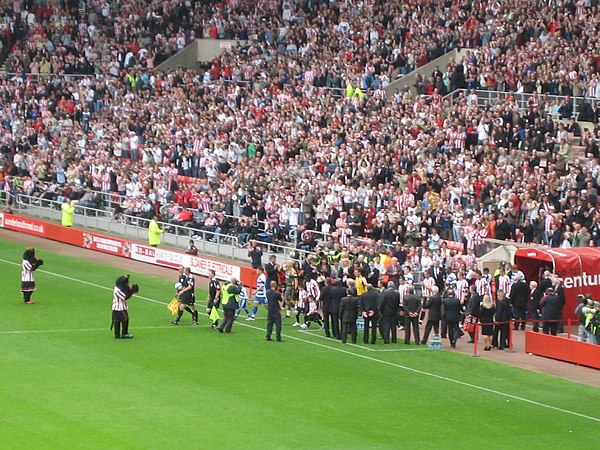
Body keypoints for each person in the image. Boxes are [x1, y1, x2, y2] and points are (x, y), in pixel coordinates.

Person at [112, 274, 139, 339]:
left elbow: (127, 289)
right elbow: (125, 297)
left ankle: (117, 334)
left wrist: (131, 290)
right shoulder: (117, 290)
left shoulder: (120, 287)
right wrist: (132, 292)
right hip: (119, 308)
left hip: (119, 307)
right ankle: (124, 333)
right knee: (125, 319)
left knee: (117, 320)